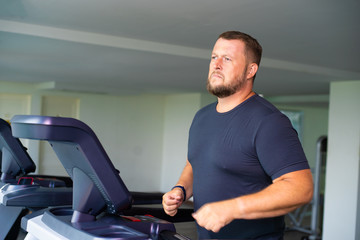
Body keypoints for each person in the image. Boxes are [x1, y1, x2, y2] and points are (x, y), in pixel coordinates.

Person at [162, 31, 313, 239]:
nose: (216, 64)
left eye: (227, 59)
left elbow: (301, 188)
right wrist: (180, 190)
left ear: (251, 70)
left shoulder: (268, 121)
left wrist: (231, 209)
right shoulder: (202, 117)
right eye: (214, 57)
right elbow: (194, 163)